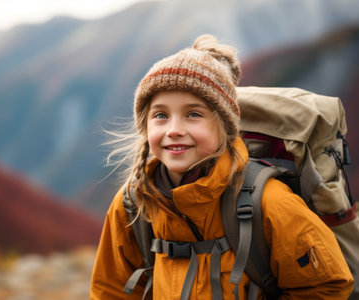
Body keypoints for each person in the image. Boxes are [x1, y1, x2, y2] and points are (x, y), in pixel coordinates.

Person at [90, 34, 354, 299]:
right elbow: (111, 290)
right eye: (160, 115)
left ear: (225, 127)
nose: (174, 130)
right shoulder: (133, 204)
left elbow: (327, 285)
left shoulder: (270, 203)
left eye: (193, 114)